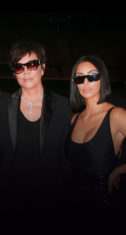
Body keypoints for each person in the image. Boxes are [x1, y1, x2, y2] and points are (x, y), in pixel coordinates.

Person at [0, 40, 72, 222]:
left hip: (50, 200)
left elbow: (68, 155)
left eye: (32, 64)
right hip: (8, 200)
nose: (25, 71)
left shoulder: (62, 106)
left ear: (43, 68)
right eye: (19, 67)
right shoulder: (2, 106)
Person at [64, 55, 126, 219]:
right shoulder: (74, 119)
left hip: (104, 206)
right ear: (74, 83)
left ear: (102, 79)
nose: (85, 83)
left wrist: (119, 170)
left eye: (92, 76)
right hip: (73, 204)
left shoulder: (116, 115)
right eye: (80, 78)